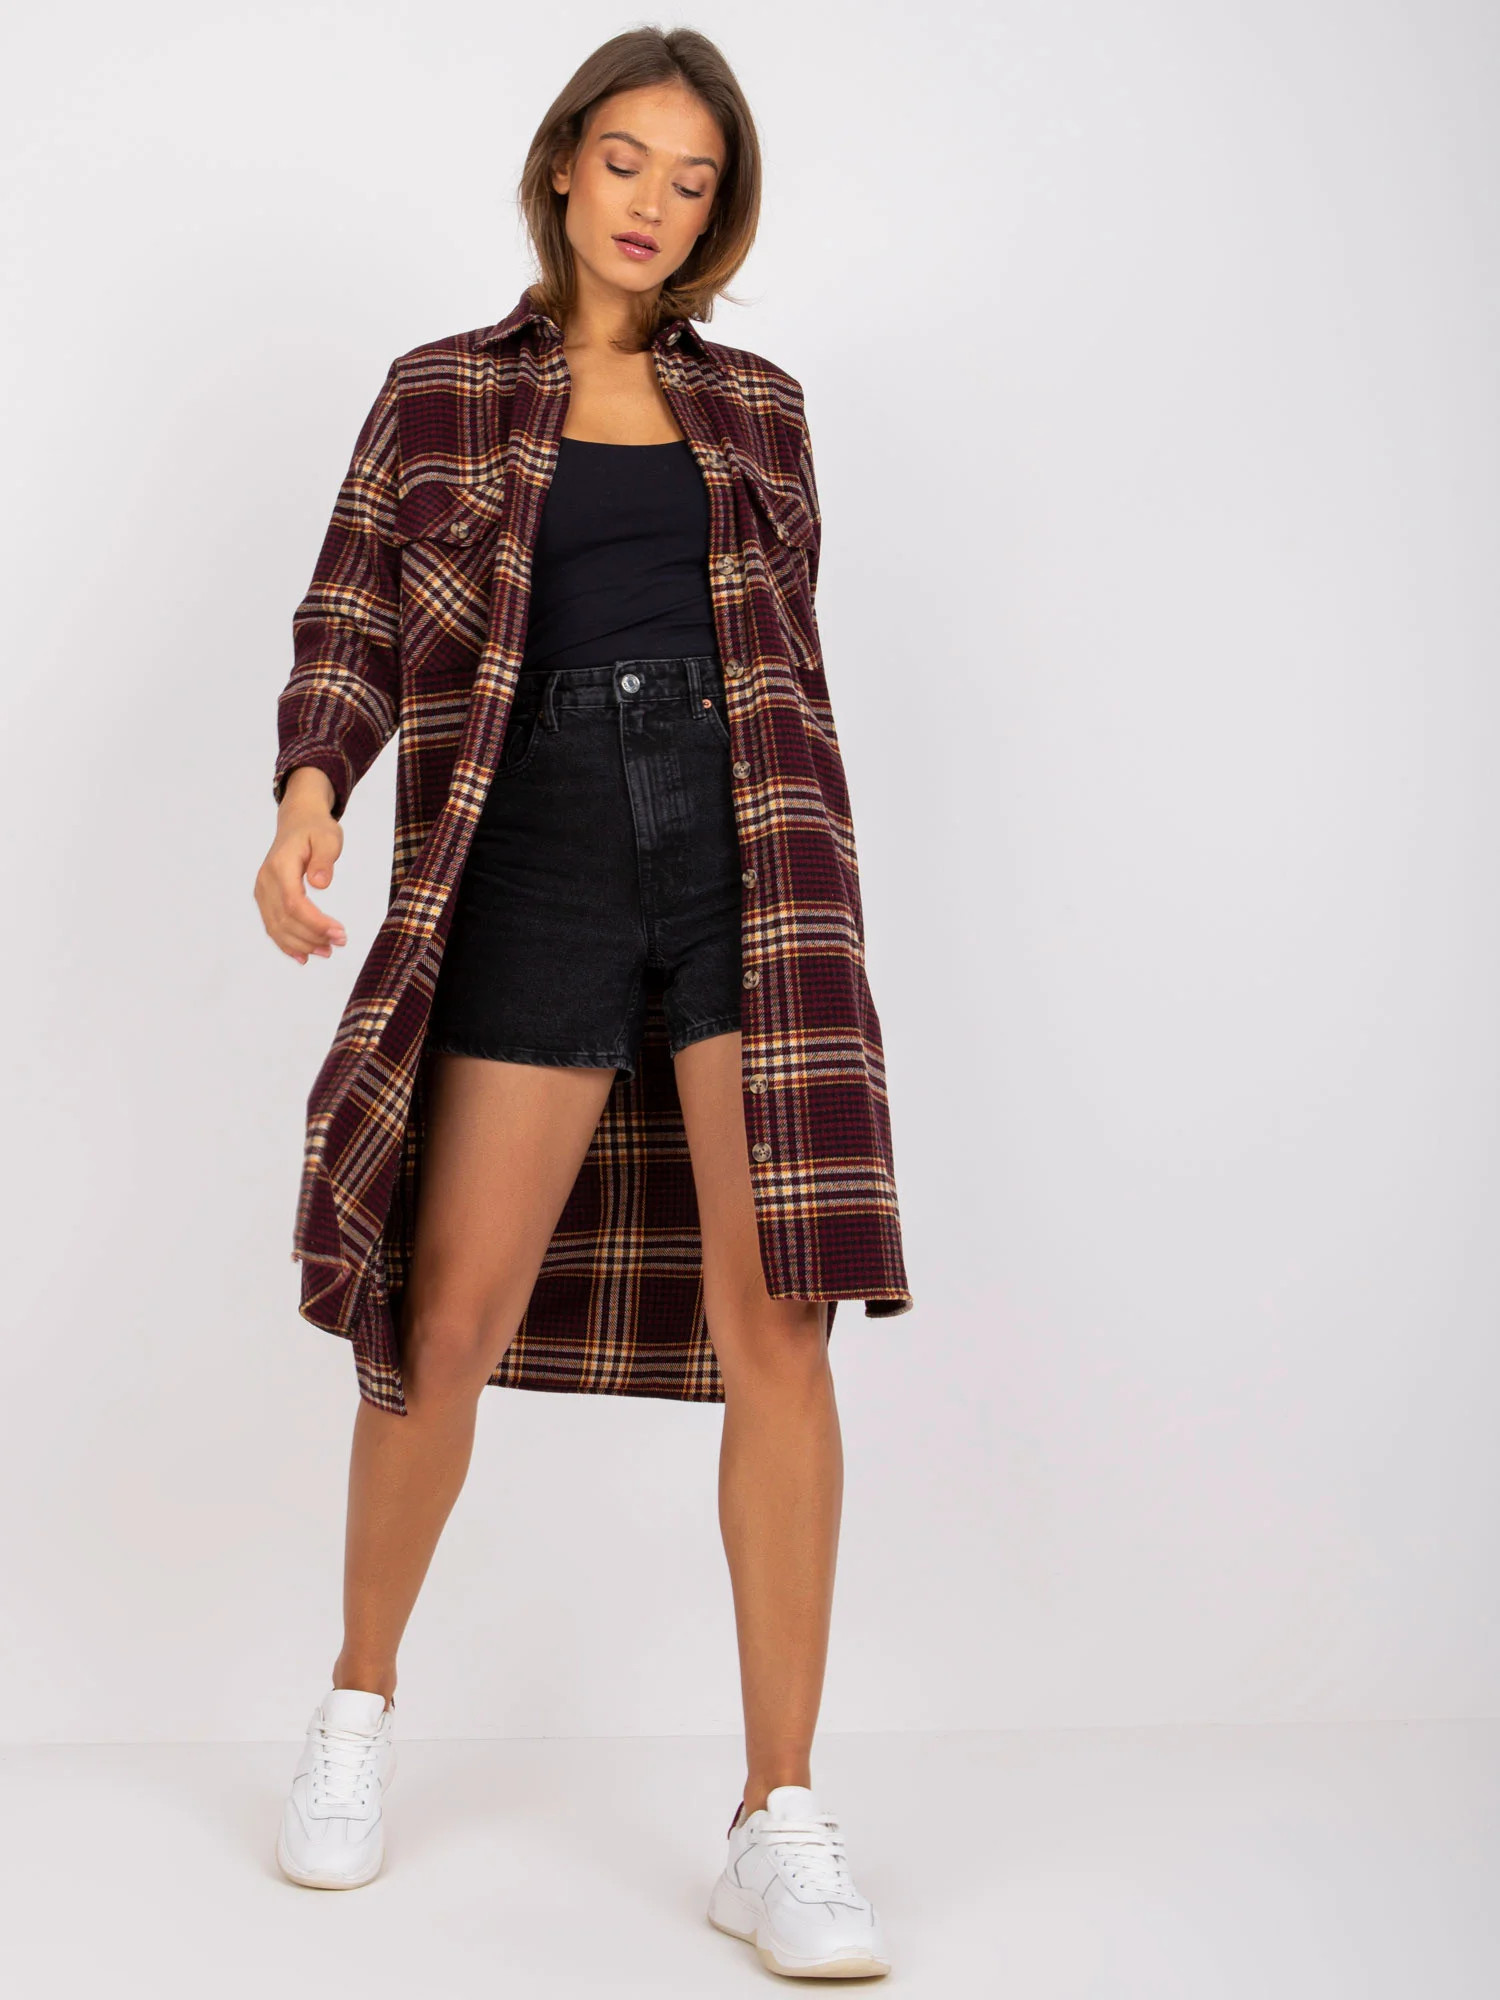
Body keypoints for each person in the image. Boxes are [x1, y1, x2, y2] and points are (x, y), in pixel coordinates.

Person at [254, 25, 910, 1981]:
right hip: (530, 842)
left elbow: (783, 661)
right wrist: (311, 791)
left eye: (693, 182)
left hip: (743, 854)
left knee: (780, 1320)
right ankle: (357, 1705)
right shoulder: (443, 392)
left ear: (720, 213)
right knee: (445, 1318)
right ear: (563, 166)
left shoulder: (763, 412)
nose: (653, 205)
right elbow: (354, 610)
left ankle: (777, 1818)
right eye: (627, 161)